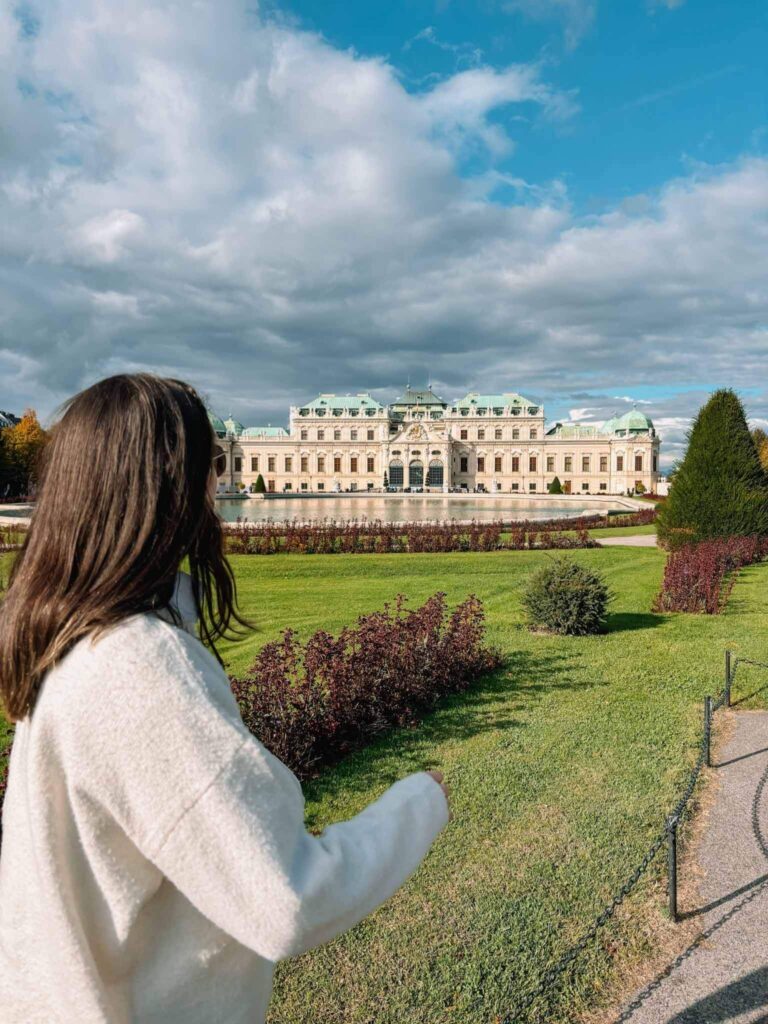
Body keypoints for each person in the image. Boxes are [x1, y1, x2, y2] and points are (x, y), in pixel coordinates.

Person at [0, 373, 451, 1024]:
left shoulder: (68, 639)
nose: (220, 481)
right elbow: (286, 896)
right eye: (209, 463)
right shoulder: (138, 667)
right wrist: (421, 802)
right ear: (167, 485)